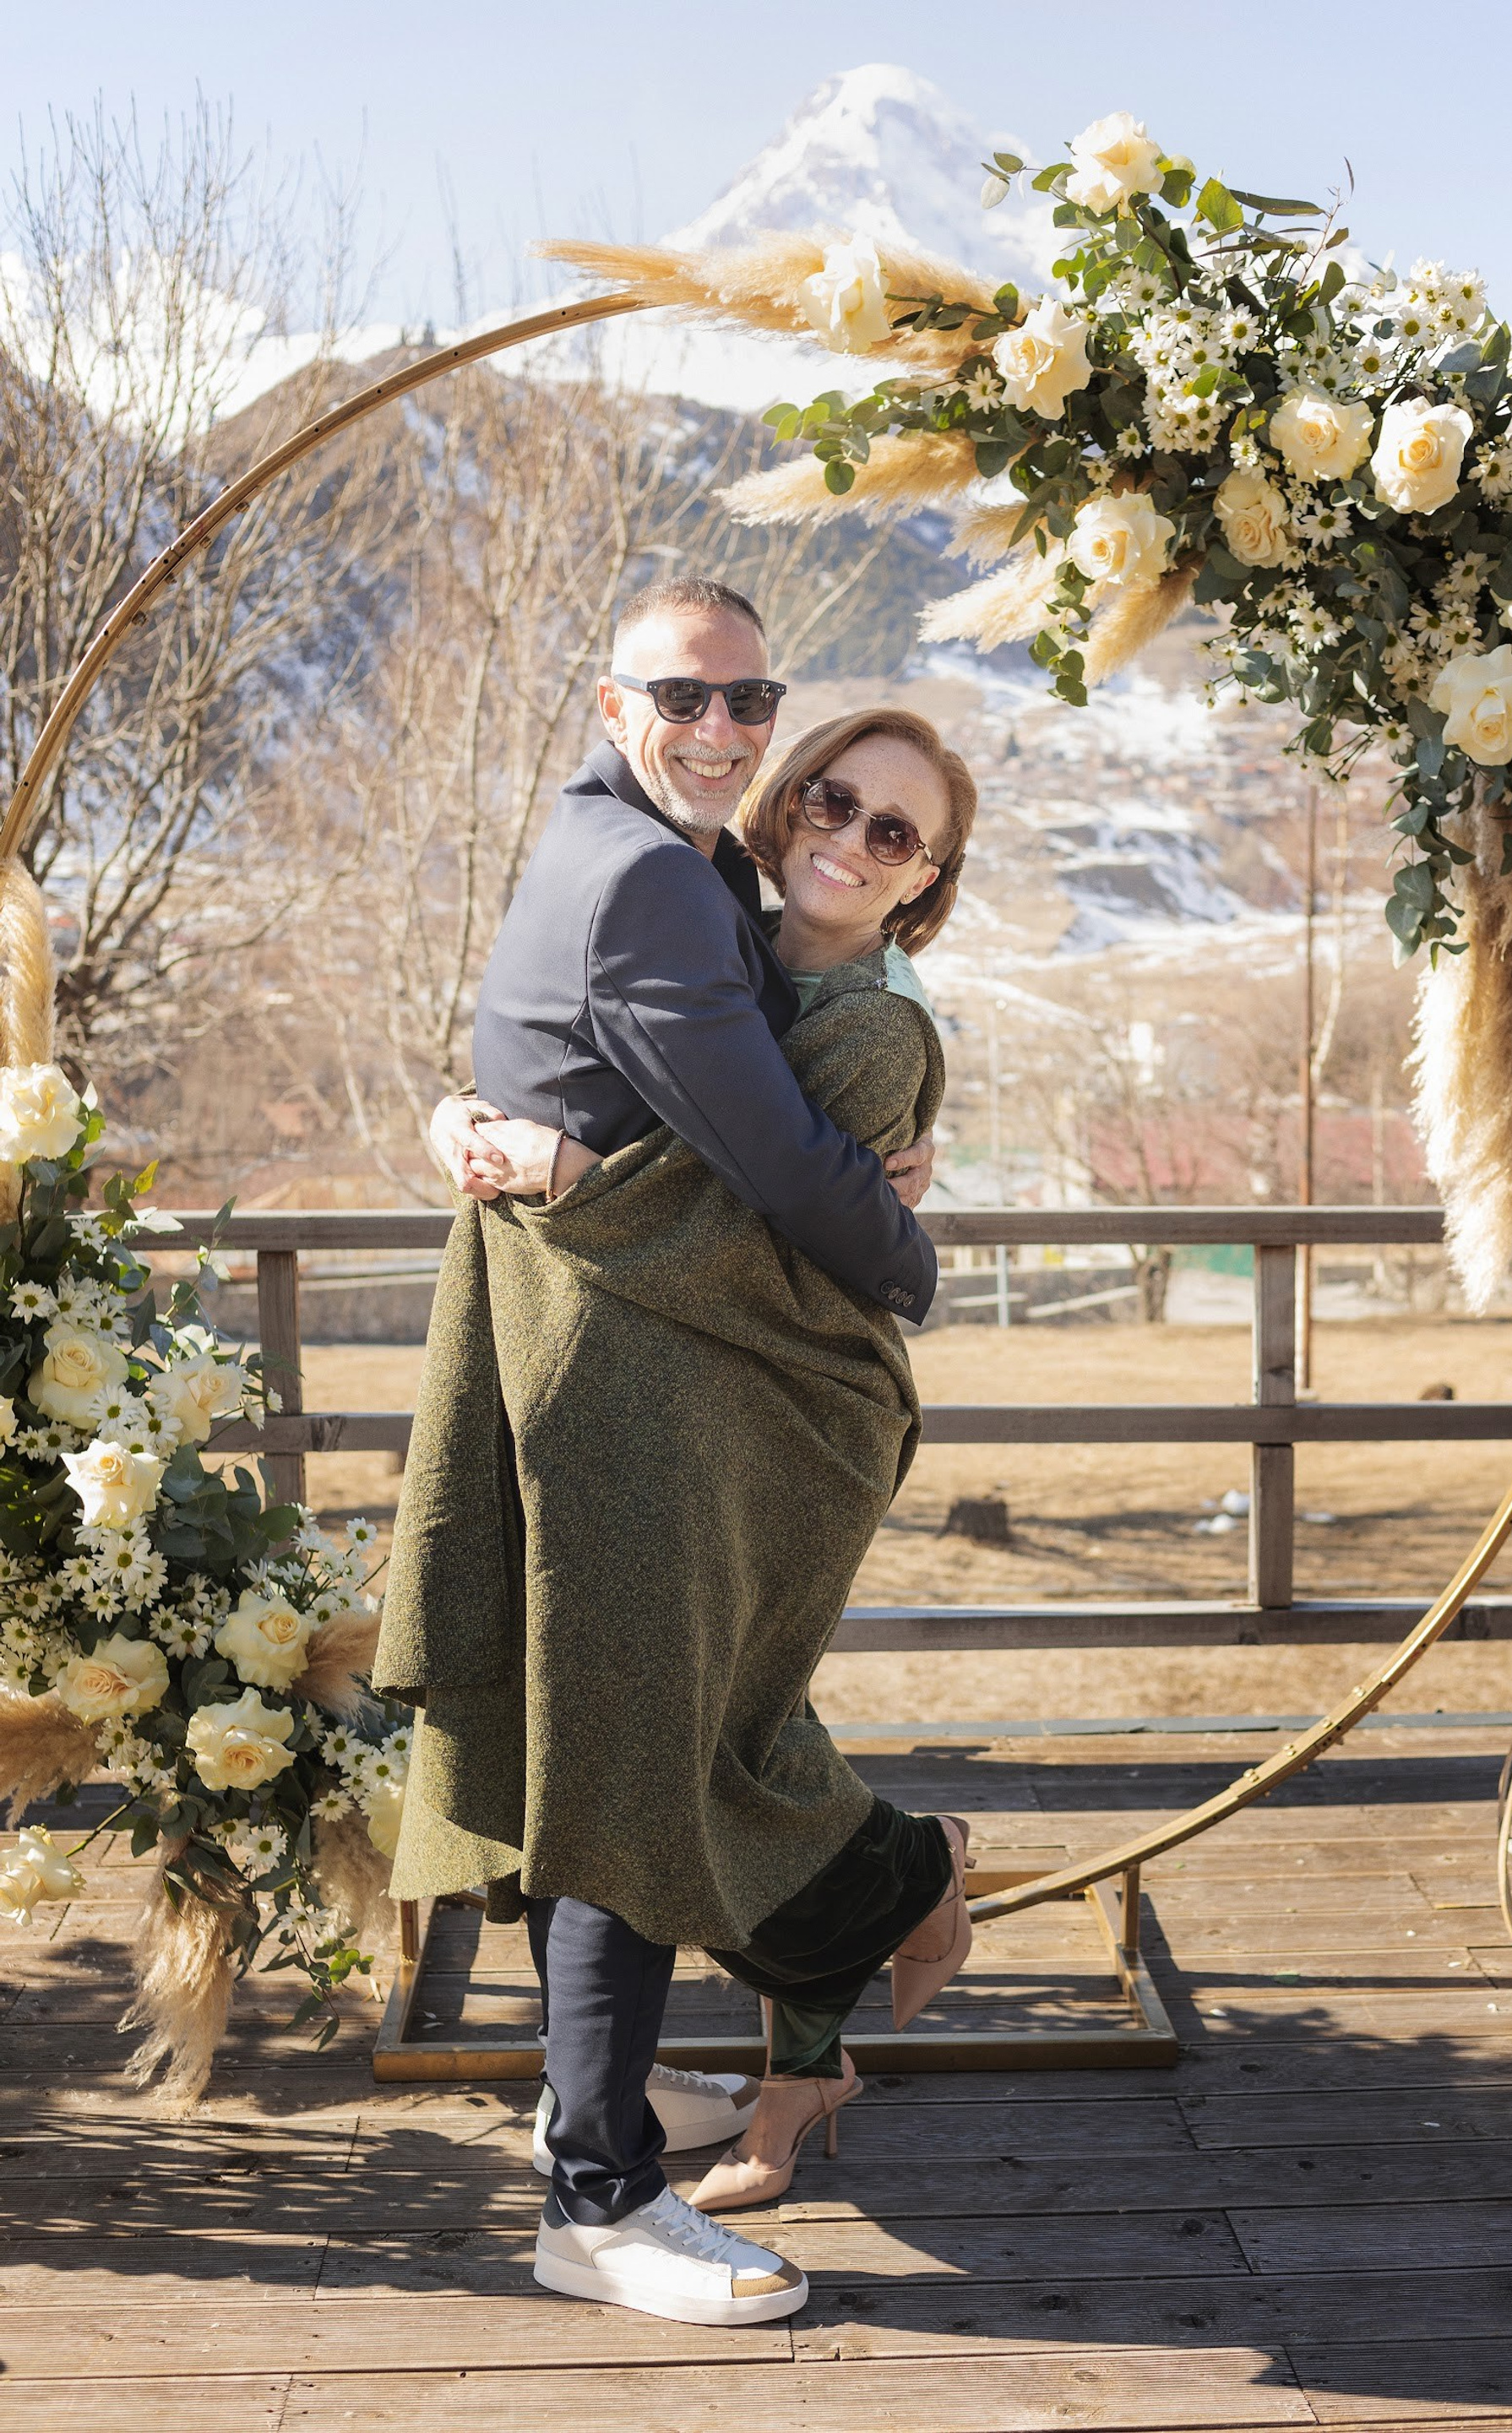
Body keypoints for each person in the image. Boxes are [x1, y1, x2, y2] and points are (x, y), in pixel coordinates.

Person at [373, 580, 972, 2330]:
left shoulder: (656, 849)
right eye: (683, 701)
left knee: (617, 1756)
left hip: (658, 1390)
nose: (719, 732)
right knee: (626, 1771)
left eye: (746, 704)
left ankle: (603, 2106)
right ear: (610, 700)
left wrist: (507, 1136)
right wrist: (912, 1255)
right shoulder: (656, 870)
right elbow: (776, 1168)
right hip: (630, 1396)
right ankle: (603, 2202)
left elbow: (669, 1094)